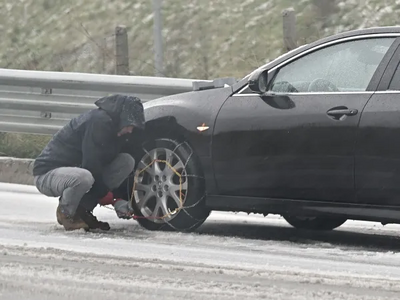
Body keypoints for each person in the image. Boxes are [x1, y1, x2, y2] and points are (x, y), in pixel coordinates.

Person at [32, 94, 145, 231]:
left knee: (126, 161)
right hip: (48, 174)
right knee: (84, 177)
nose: (130, 130)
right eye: (130, 125)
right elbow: (92, 165)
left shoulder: (117, 130)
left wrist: (121, 199)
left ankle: (82, 211)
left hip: (79, 171)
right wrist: (114, 200)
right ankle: (66, 213)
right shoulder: (98, 122)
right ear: (122, 118)